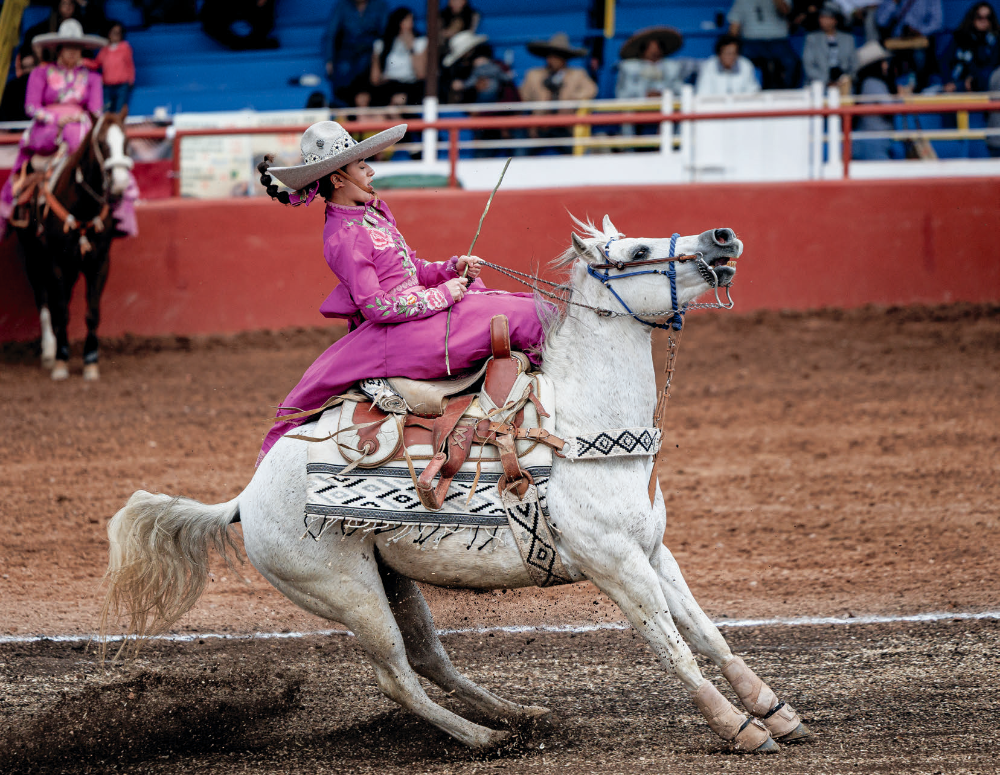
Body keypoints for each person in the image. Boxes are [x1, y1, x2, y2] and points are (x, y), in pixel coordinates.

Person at [253, 121, 545, 463]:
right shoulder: (344, 237)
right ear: (338, 179)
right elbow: (377, 306)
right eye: (362, 166)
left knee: (518, 308)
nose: (371, 171)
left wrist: (452, 268)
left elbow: (413, 269)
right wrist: (442, 296)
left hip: (417, 318)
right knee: (529, 316)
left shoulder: (371, 216)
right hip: (401, 332)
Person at [0, 19, 106, 239]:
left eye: (76, 48)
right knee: (63, 135)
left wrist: (78, 117)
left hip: (80, 125)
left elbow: (96, 111)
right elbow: (31, 106)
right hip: (47, 127)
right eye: (68, 47)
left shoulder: (93, 78)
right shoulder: (41, 73)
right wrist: (55, 119)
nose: (72, 52)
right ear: (58, 49)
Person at [520, 33, 598, 153]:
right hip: (540, 126)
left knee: (580, 153)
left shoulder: (577, 74)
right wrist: (532, 124)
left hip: (566, 126)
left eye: (557, 56)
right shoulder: (533, 75)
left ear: (564, 58)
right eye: (550, 56)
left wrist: (571, 100)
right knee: (522, 152)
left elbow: (591, 90)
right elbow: (523, 99)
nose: (552, 60)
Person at [323, 0, 390, 107]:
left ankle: (364, 106)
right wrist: (329, 59)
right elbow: (331, 33)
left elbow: (386, 34)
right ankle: (345, 108)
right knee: (342, 69)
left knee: (367, 66)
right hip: (347, 52)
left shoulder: (380, 5)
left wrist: (379, 56)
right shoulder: (342, 6)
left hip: (370, 52)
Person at [727, 0, 802, 89]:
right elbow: (734, 27)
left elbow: (785, 11)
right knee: (738, 61)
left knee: (792, 63)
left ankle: (785, 96)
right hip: (751, 43)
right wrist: (730, 45)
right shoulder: (741, 1)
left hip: (778, 41)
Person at [615, 26, 697, 100]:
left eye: (657, 48)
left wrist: (663, 94)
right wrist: (644, 95)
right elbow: (622, 94)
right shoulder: (629, 67)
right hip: (636, 111)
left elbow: (679, 90)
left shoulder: (672, 67)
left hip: (665, 109)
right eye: (650, 48)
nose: (654, 52)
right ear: (642, 51)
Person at [875, 0, 943, 91]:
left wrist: (918, 31)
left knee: (920, 58)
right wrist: (894, 3)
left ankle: (918, 89)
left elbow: (937, 23)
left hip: (919, 44)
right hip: (895, 44)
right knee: (885, 65)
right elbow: (881, 21)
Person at [851, 40, 900, 159]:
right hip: (873, 143)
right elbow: (890, 108)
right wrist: (901, 98)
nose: (886, 65)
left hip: (869, 140)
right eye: (883, 62)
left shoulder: (865, 82)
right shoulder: (872, 83)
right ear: (874, 65)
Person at [370, 6, 427, 106]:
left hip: (410, 85)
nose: (409, 25)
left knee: (402, 98)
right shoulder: (381, 44)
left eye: (411, 21)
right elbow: (374, 79)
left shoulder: (421, 43)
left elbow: (421, 74)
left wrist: (411, 48)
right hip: (389, 85)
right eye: (405, 21)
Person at [940, 2, 999, 92]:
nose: (983, 21)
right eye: (979, 17)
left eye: (988, 17)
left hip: (981, 83)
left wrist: (973, 79)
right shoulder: (960, 37)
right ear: (973, 18)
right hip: (955, 82)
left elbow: (991, 66)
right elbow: (945, 61)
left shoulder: (994, 41)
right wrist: (947, 81)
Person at [802, 3, 858, 90]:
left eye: (827, 18)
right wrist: (827, 81)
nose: (823, 20)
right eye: (821, 17)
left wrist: (844, 79)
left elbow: (854, 65)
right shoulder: (812, 38)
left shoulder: (848, 39)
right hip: (820, 83)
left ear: (835, 20)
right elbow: (809, 66)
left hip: (843, 84)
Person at [86, 20, 135, 112]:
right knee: (106, 109)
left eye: (118, 33)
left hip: (122, 85)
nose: (115, 35)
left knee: (119, 110)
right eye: (113, 33)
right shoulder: (104, 49)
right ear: (108, 33)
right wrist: (83, 61)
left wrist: (131, 80)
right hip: (107, 86)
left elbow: (129, 64)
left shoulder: (125, 47)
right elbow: (96, 64)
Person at [696, 33, 762, 94]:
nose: (731, 57)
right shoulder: (709, 65)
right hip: (715, 105)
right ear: (719, 54)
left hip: (740, 105)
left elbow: (753, 90)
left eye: (734, 53)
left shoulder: (746, 65)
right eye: (727, 53)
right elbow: (703, 92)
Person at [200, 0, 279, 50]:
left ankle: (252, 42)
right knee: (208, 16)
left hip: (254, 7)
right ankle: (241, 43)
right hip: (228, 6)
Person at [0, 45, 38, 122]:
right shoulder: (12, 86)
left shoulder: (43, 85)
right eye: (25, 67)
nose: (29, 72)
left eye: (31, 67)